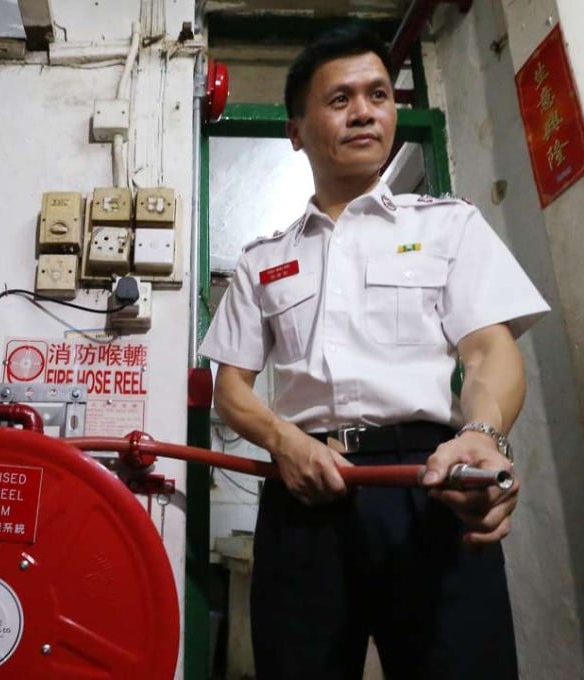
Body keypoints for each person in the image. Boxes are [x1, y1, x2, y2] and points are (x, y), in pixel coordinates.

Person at [198, 22, 550, 680]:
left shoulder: (448, 226)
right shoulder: (262, 260)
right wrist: (283, 439)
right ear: (296, 130)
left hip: (427, 484)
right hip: (302, 493)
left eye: (379, 95)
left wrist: (481, 432)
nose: (364, 111)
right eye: (340, 99)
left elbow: (488, 353)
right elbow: (232, 389)